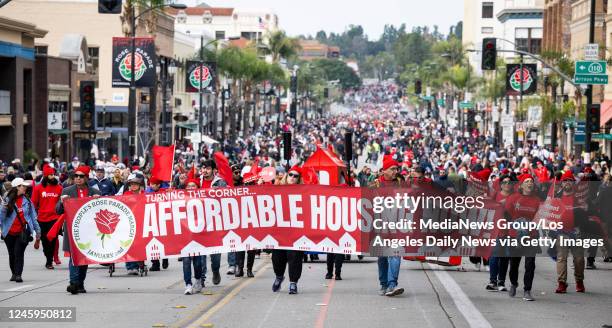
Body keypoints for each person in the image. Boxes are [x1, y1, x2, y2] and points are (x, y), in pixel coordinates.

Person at [56, 166, 100, 294]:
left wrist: (99, 200)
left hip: (89, 231)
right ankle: (73, 283)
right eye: (76, 176)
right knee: (74, 257)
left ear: (86, 178)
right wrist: (61, 201)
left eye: (81, 176)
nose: (78, 178)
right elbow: (58, 210)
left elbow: (100, 211)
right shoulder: (67, 190)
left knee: (83, 258)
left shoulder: (94, 191)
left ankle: (80, 283)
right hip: (72, 229)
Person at [505, 173, 541, 301]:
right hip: (515, 236)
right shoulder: (514, 198)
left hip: (531, 236)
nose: (530, 183)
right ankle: (513, 283)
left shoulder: (537, 200)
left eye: (531, 181)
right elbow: (505, 214)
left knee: (530, 264)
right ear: (521, 185)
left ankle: (527, 290)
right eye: (526, 181)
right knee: (514, 263)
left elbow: (540, 217)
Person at [1, 178, 41, 283]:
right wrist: (3, 208)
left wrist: (38, 232)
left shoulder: (27, 200)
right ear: (17, 187)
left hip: (23, 232)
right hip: (8, 232)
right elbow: (1, 218)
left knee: (19, 253)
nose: (25, 187)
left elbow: (33, 217)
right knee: (12, 254)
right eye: (23, 186)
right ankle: (14, 273)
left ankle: (18, 274)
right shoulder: (7, 200)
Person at [272, 165, 304, 295]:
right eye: (291, 175)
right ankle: (279, 276)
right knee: (277, 257)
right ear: (286, 175)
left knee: (295, 257)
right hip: (280, 231)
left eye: (296, 176)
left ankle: (293, 283)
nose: (292, 178)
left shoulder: (304, 191)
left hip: (296, 231)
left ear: (299, 179)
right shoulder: (277, 189)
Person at [375, 156, 405, 297]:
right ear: (384, 171)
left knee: (395, 255)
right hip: (379, 226)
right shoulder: (374, 184)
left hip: (396, 226)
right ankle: (384, 284)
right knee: (382, 257)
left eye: (396, 169)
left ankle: (392, 284)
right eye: (392, 169)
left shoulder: (401, 184)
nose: (395, 171)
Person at [554, 170, 585, 293]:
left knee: (579, 259)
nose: (567, 182)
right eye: (565, 180)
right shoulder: (557, 197)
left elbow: (586, 214)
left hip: (577, 233)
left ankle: (579, 281)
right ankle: (562, 283)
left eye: (570, 181)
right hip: (561, 232)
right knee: (561, 258)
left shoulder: (579, 198)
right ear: (562, 183)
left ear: (573, 183)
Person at [486, 172, 515, 292]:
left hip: (510, 230)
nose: (507, 184)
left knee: (505, 257)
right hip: (496, 230)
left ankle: (501, 281)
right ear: (501, 185)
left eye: (509, 182)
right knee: (494, 256)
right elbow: (488, 208)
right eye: (504, 182)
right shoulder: (495, 195)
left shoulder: (515, 196)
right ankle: (493, 281)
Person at [200, 159, 227, 285]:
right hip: (199, 222)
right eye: (203, 168)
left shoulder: (220, 182)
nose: (205, 171)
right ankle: (202, 278)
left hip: (215, 223)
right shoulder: (197, 182)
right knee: (200, 253)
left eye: (208, 168)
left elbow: (227, 198)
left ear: (214, 170)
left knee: (215, 255)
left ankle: (215, 270)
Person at [31, 165, 62, 269]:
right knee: (45, 240)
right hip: (42, 218)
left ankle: (49, 261)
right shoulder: (38, 188)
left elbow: (61, 203)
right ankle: (47, 255)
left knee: (52, 239)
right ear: (45, 176)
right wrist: (33, 216)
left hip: (54, 218)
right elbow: (34, 203)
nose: (53, 176)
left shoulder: (59, 188)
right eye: (50, 175)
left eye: (53, 174)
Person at [182, 177, 204, 294]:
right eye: (188, 186)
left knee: (197, 262)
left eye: (193, 186)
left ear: (198, 188)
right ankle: (188, 284)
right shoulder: (180, 198)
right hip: (185, 235)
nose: (190, 188)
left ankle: (198, 279)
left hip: (198, 234)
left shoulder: (202, 199)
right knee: (186, 260)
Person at [123, 174, 146, 275]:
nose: (133, 186)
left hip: (141, 221)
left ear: (140, 185)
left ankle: (138, 265)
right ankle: (130, 266)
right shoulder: (126, 194)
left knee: (139, 244)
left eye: (135, 184)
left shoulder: (144, 194)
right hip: (129, 221)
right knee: (129, 243)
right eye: (132, 184)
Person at [146, 177, 169, 271]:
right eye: (150, 184)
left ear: (158, 185)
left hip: (162, 218)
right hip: (151, 219)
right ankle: (155, 263)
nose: (151, 186)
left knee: (163, 240)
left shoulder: (164, 191)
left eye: (153, 184)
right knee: (152, 242)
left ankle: (165, 258)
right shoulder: (147, 192)